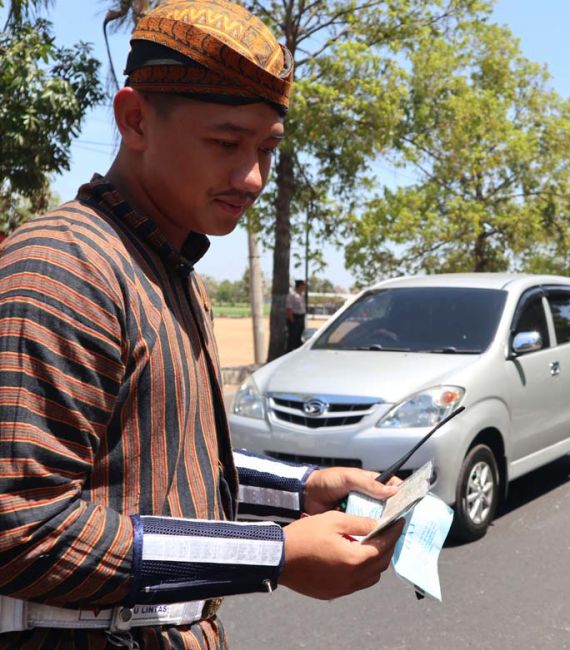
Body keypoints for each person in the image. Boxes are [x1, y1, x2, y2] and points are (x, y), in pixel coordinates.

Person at [0, 2, 404, 647]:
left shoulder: (172, 271)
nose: (252, 177)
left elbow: (172, 459)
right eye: (225, 143)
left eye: (267, 148)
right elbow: (21, 526)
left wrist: (302, 489)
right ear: (135, 119)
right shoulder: (64, 268)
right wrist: (271, 555)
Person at [286, 279, 307, 351]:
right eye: (303, 286)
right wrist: (292, 321)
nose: (304, 287)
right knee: (292, 337)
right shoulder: (292, 295)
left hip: (301, 318)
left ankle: (297, 350)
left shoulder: (301, 295)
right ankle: (289, 351)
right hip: (295, 318)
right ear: (300, 286)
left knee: (299, 336)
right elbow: (289, 309)